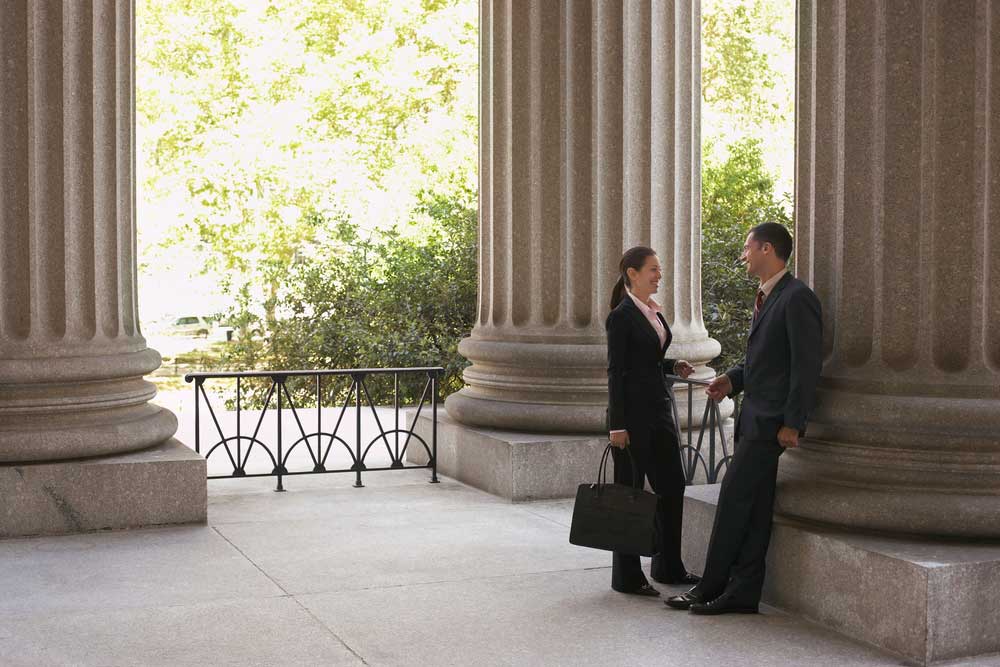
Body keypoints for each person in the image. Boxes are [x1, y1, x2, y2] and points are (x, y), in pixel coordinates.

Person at [665, 222, 822, 614]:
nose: (744, 254)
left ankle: (708, 587)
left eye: (748, 248)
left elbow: (805, 366)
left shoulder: (797, 298)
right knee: (754, 507)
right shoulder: (769, 297)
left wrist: (793, 422)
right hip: (755, 417)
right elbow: (765, 362)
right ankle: (744, 591)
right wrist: (731, 380)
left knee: (733, 500)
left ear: (767, 249)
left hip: (770, 424)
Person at [606, 245, 699, 597]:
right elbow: (616, 373)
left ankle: (668, 565)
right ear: (632, 273)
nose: (659, 275)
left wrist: (671, 365)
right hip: (630, 422)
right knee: (630, 497)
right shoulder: (620, 316)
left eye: (659, 270)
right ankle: (627, 577)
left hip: (660, 415)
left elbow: (646, 361)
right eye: (653, 270)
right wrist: (617, 426)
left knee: (672, 487)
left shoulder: (654, 314)